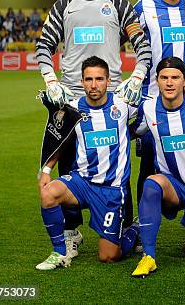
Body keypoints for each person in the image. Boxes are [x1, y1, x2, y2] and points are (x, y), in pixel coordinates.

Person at [34, 0, 151, 256]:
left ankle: (123, 227)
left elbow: (143, 45)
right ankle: (72, 231)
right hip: (71, 97)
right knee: (69, 163)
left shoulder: (119, 6)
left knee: (117, 163)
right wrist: (50, 80)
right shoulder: (64, 6)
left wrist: (137, 77)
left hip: (111, 97)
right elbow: (44, 45)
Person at [35, 56, 140, 270]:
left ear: (108, 80)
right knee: (48, 193)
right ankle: (59, 253)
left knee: (108, 256)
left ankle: (134, 229)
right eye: (89, 79)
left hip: (112, 191)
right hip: (82, 182)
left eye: (99, 79)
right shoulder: (73, 110)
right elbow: (60, 141)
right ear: (82, 81)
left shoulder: (123, 105)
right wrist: (46, 170)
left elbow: (157, 108)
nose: (94, 85)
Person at [130, 57, 185, 277]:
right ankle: (148, 256)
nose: (169, 82)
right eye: (164, 78)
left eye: (175, 77)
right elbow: (128, 132)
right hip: (172, 189)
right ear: (157, 81)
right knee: (152, 183)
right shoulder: (148, 108)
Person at [132, 0, 185, 217]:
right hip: (152, 101)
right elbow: (121, 33)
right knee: (149, 168)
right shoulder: (143, 8)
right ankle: (141, 224)